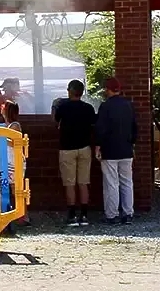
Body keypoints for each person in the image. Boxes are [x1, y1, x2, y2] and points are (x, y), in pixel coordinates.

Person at [94, 77, 137, 225]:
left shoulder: (105, 107)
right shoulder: (128, 105)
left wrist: (98, 146)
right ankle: (128, 213)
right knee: (127, 182)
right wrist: (132, 144)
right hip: (126, 149)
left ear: (108, 89)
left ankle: (112, 215)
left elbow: (100, 129)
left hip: (110, 150)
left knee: (111, 183)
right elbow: (134, 127)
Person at [53, 79, 96, 226]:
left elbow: (55, 120)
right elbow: (93, 125)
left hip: (67, 149)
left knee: (69, 183)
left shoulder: (63, 108)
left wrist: (55, 106)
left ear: (69, 91)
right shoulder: (89, 108)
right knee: (83, 183)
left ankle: (72, 215)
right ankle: (84, 215)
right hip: (84, 148)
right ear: (82, 92)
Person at [1, 100, 29, 226]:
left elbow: (14, 142)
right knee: (11, 188)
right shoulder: (6, 125)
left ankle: (23, 216)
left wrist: (2, 139)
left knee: (17, 189)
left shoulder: (15, 125)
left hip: (15, 160)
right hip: (8, 160)